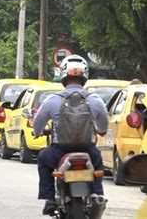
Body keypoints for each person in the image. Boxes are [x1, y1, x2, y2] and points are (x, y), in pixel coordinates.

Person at [33, 55, 109, 215]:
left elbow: (37, 123)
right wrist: (100, 131)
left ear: (63, 75)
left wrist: (37, 132)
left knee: (43, 157)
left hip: (59, 152)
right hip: (87, 151)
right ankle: (96, 195)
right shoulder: (95, 100)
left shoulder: (52, 100)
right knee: (97, 163)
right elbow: (104, 124)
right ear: (84, 76)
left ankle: (50, 199)